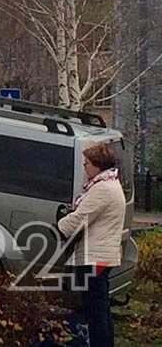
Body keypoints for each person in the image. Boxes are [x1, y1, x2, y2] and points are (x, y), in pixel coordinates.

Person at [57, 143, 126, 347]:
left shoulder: (102, 189)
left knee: (95, 308)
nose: (85, 167)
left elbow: (80, 218)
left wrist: (59, 225)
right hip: (102, 255)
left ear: (97, 165)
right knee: (100, 307)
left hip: (94, 257)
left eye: (87, 164)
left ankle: (100, 343)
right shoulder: (111, 185)